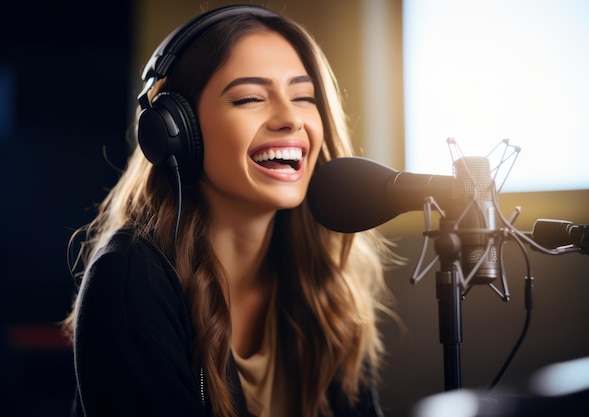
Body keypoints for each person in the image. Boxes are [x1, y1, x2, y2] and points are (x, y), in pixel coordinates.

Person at [64, 4, 398, 417]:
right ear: (175, 131)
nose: (290, 118)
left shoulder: (323, 283)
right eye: (250, 98)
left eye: (303, 97)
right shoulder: (131, 281)